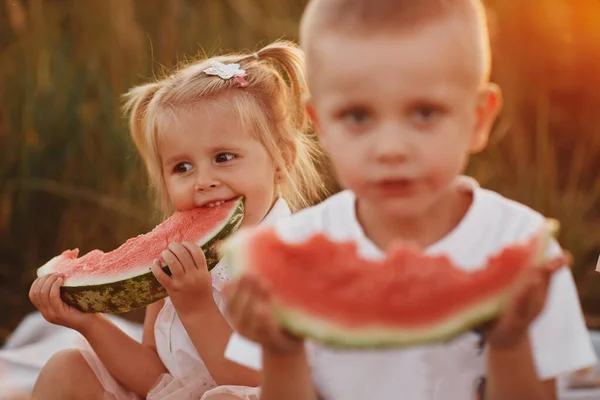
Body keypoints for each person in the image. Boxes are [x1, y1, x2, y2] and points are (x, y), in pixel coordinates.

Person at [222, 1, 598, 399]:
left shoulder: (522, 246)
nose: (391, 148)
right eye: (357, 116)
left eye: (424, 112)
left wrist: (509, 344)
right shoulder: (292, 251)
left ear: (479, 118)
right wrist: (282, 352)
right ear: (321, 126)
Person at [28, 39, 328, 400]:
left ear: (282, 159)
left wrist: (197, 308)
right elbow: (155, 376)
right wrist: (87, 322)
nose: (203, 181)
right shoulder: (177, 256)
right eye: (182, 167)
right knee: (67, 368)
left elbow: (256, 380)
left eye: (224, 157)